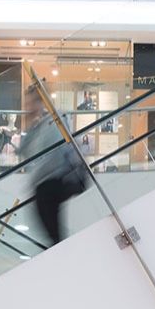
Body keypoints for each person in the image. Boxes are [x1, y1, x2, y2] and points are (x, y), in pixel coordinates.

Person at [17, 104, 89, 246]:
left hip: (52, 183)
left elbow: (54, 155)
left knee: (54, 238)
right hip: (52, 183)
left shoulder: (54, 121)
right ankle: (62, 258)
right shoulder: (43, 125)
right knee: (54, 237)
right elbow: (22, 150)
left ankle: (61, 259)